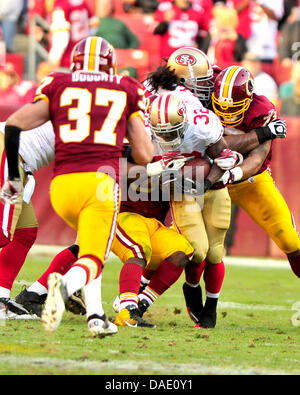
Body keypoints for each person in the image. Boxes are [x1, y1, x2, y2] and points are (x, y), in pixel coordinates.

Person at [1, 36, 154, 337]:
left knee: (27, 232)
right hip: (29, 163)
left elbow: (14, 124)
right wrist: (13, 175)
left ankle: (91, 316)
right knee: (7, 233)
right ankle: (62, 290)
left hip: (54, 179)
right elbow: (142, 154)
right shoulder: (123, 89)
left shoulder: (59, 84)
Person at [143, 48, 287, 328]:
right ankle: (144, 295)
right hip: (170, 178)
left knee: (214, 251)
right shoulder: (164, 102)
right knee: (188, 248)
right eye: (203, 81)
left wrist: (218, 176)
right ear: (182, 82)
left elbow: (224, 152)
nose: (208, 86)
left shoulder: (205, 113)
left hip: (208, 179)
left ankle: (208, 305)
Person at [211, 65, 300, 282]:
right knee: (199, 249)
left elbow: (258, 157)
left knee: (290, 241)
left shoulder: (262, 109)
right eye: (221, 106)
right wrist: (261, 134)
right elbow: (213, 144)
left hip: (250, 180)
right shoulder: (204, 96)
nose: (226, 112)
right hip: (210, 179)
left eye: (234, 107)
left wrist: (234, 174)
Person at [47, 0, 99, 69]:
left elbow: (61, 35)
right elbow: (93, 26)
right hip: (85, 56)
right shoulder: (83, 3)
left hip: (69, 59)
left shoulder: (62, 5)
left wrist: (54, 57)